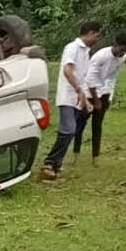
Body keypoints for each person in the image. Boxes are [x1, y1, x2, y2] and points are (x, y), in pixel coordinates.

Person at [40, 22, 103, 181]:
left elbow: (82, 76)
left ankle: (56, 164)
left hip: (77, 98)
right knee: (68, 130)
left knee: (71, 131)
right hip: (68, 96)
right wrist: (78, 91)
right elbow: (67, 71)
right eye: (97, 35)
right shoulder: (73, 47)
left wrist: (85, 98)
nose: (97, 38)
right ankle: (49, 162)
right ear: (89, 33)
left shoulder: (86, 52)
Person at [73, 32, 126, 165]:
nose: (122, 53)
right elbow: (89, 79)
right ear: (115, 45)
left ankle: (95, 157)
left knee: (97, 125)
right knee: (80, 125)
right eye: (121, 49)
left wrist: (109, 96)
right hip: (89, 92)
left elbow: (112, 77)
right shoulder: (100, 56)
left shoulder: (123, 57)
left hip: (104, 91)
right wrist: (96, 100)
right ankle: (75, 154)